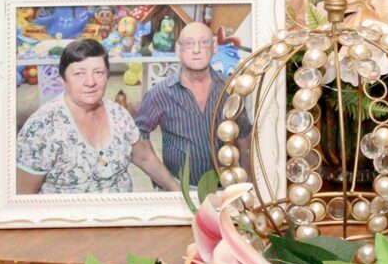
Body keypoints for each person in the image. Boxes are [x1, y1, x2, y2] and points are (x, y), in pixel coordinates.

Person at [17, 37, 173, 194]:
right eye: (79, 73)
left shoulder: (118, 115)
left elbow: (144, 157)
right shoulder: (41, 128)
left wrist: (177, 190)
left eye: (98, 72)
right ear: (63, 80)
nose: (90, 82)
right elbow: (23, 196)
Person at [133, 20, 248, 189]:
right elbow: (138, 138)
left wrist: (246, 185)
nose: (196, 50)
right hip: (178, 189)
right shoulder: (160, 93)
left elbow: (244, 140)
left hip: (223, 188)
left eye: (204, 42)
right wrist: (165, 181)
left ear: (214, 47)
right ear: (178, 50)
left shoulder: (230, 91)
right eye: (189, 44)